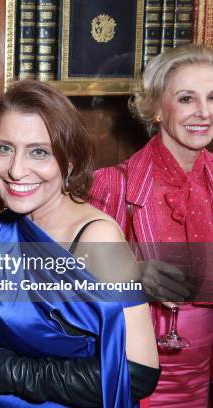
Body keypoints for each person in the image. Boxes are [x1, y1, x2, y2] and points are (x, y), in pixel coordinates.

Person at [0, 80, 160, 407]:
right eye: (4, 148)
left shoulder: (98, 237)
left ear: (68, 160)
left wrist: (13, 373)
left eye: (38, 152)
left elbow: (139, 373)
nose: (16, 170)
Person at [90, 44, 213, 407]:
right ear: (158, 107)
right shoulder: (114, 183)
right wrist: (132, 273)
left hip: (203, 373)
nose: (204, 112)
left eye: (212, 97)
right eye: (187, 98)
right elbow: (69, 275)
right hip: (136, 370)